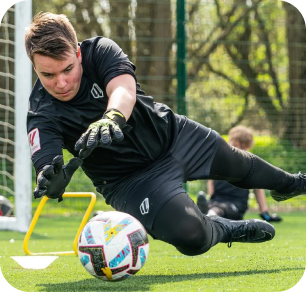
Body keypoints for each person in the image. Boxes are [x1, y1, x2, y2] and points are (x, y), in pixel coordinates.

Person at [25, 12, 305, 259]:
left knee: (241, 166)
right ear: (34, 67)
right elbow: (45, 160)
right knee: (191, 237)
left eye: (68, 69)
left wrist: (112, 117)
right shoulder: (41, 112)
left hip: (174, 136)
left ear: (77, 53)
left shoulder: (99, 50)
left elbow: (123, 90)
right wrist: (49, 177)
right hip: (130, 182)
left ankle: (293, 183)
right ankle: (222, 228)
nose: (61, 83)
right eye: (48, 75)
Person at [196, 125, 282, 222]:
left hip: (236, 205)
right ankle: (206, 214)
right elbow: (211, 182)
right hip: (216, 201)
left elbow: (258, 189)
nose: (238, 150)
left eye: (243, 148)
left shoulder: (250, 165)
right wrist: (211, 198)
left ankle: (208, 216)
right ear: (229, 142)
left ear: (248, 147)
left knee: (221, 209)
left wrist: (265, 214)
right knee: (212, 206)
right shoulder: (219, 160)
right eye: (235, 146)